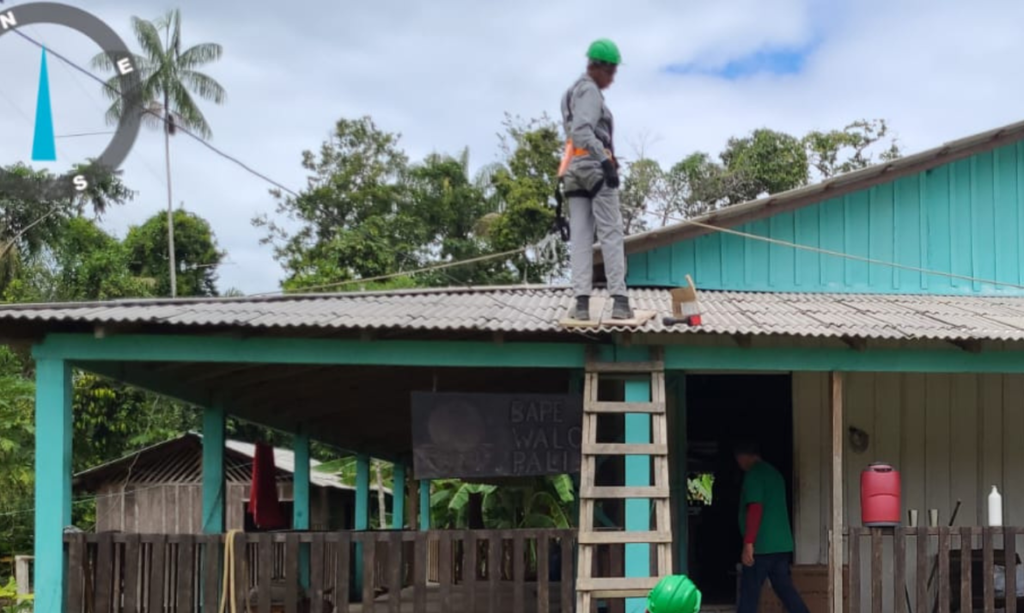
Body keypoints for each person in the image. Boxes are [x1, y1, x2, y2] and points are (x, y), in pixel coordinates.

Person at [559, 38, 632, 321]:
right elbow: (581, 131)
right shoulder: (589, 91)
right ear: (597, 67)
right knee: (611, 233)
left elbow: (573, 134)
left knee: (579, 239)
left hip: (574, 170)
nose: (612, 79)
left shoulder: (569, 93)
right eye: (611, 72)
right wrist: (605, 161)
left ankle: (581, 304)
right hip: (594, 168)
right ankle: (620, 301)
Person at [735, 440, 809, 613]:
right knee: (786, 590)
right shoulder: (774, 474)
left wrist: (748, 543)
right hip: (781, 546)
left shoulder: (754, 474)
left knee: (749, 595)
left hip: (762, 547)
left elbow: (755, 508)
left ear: (743, 457)